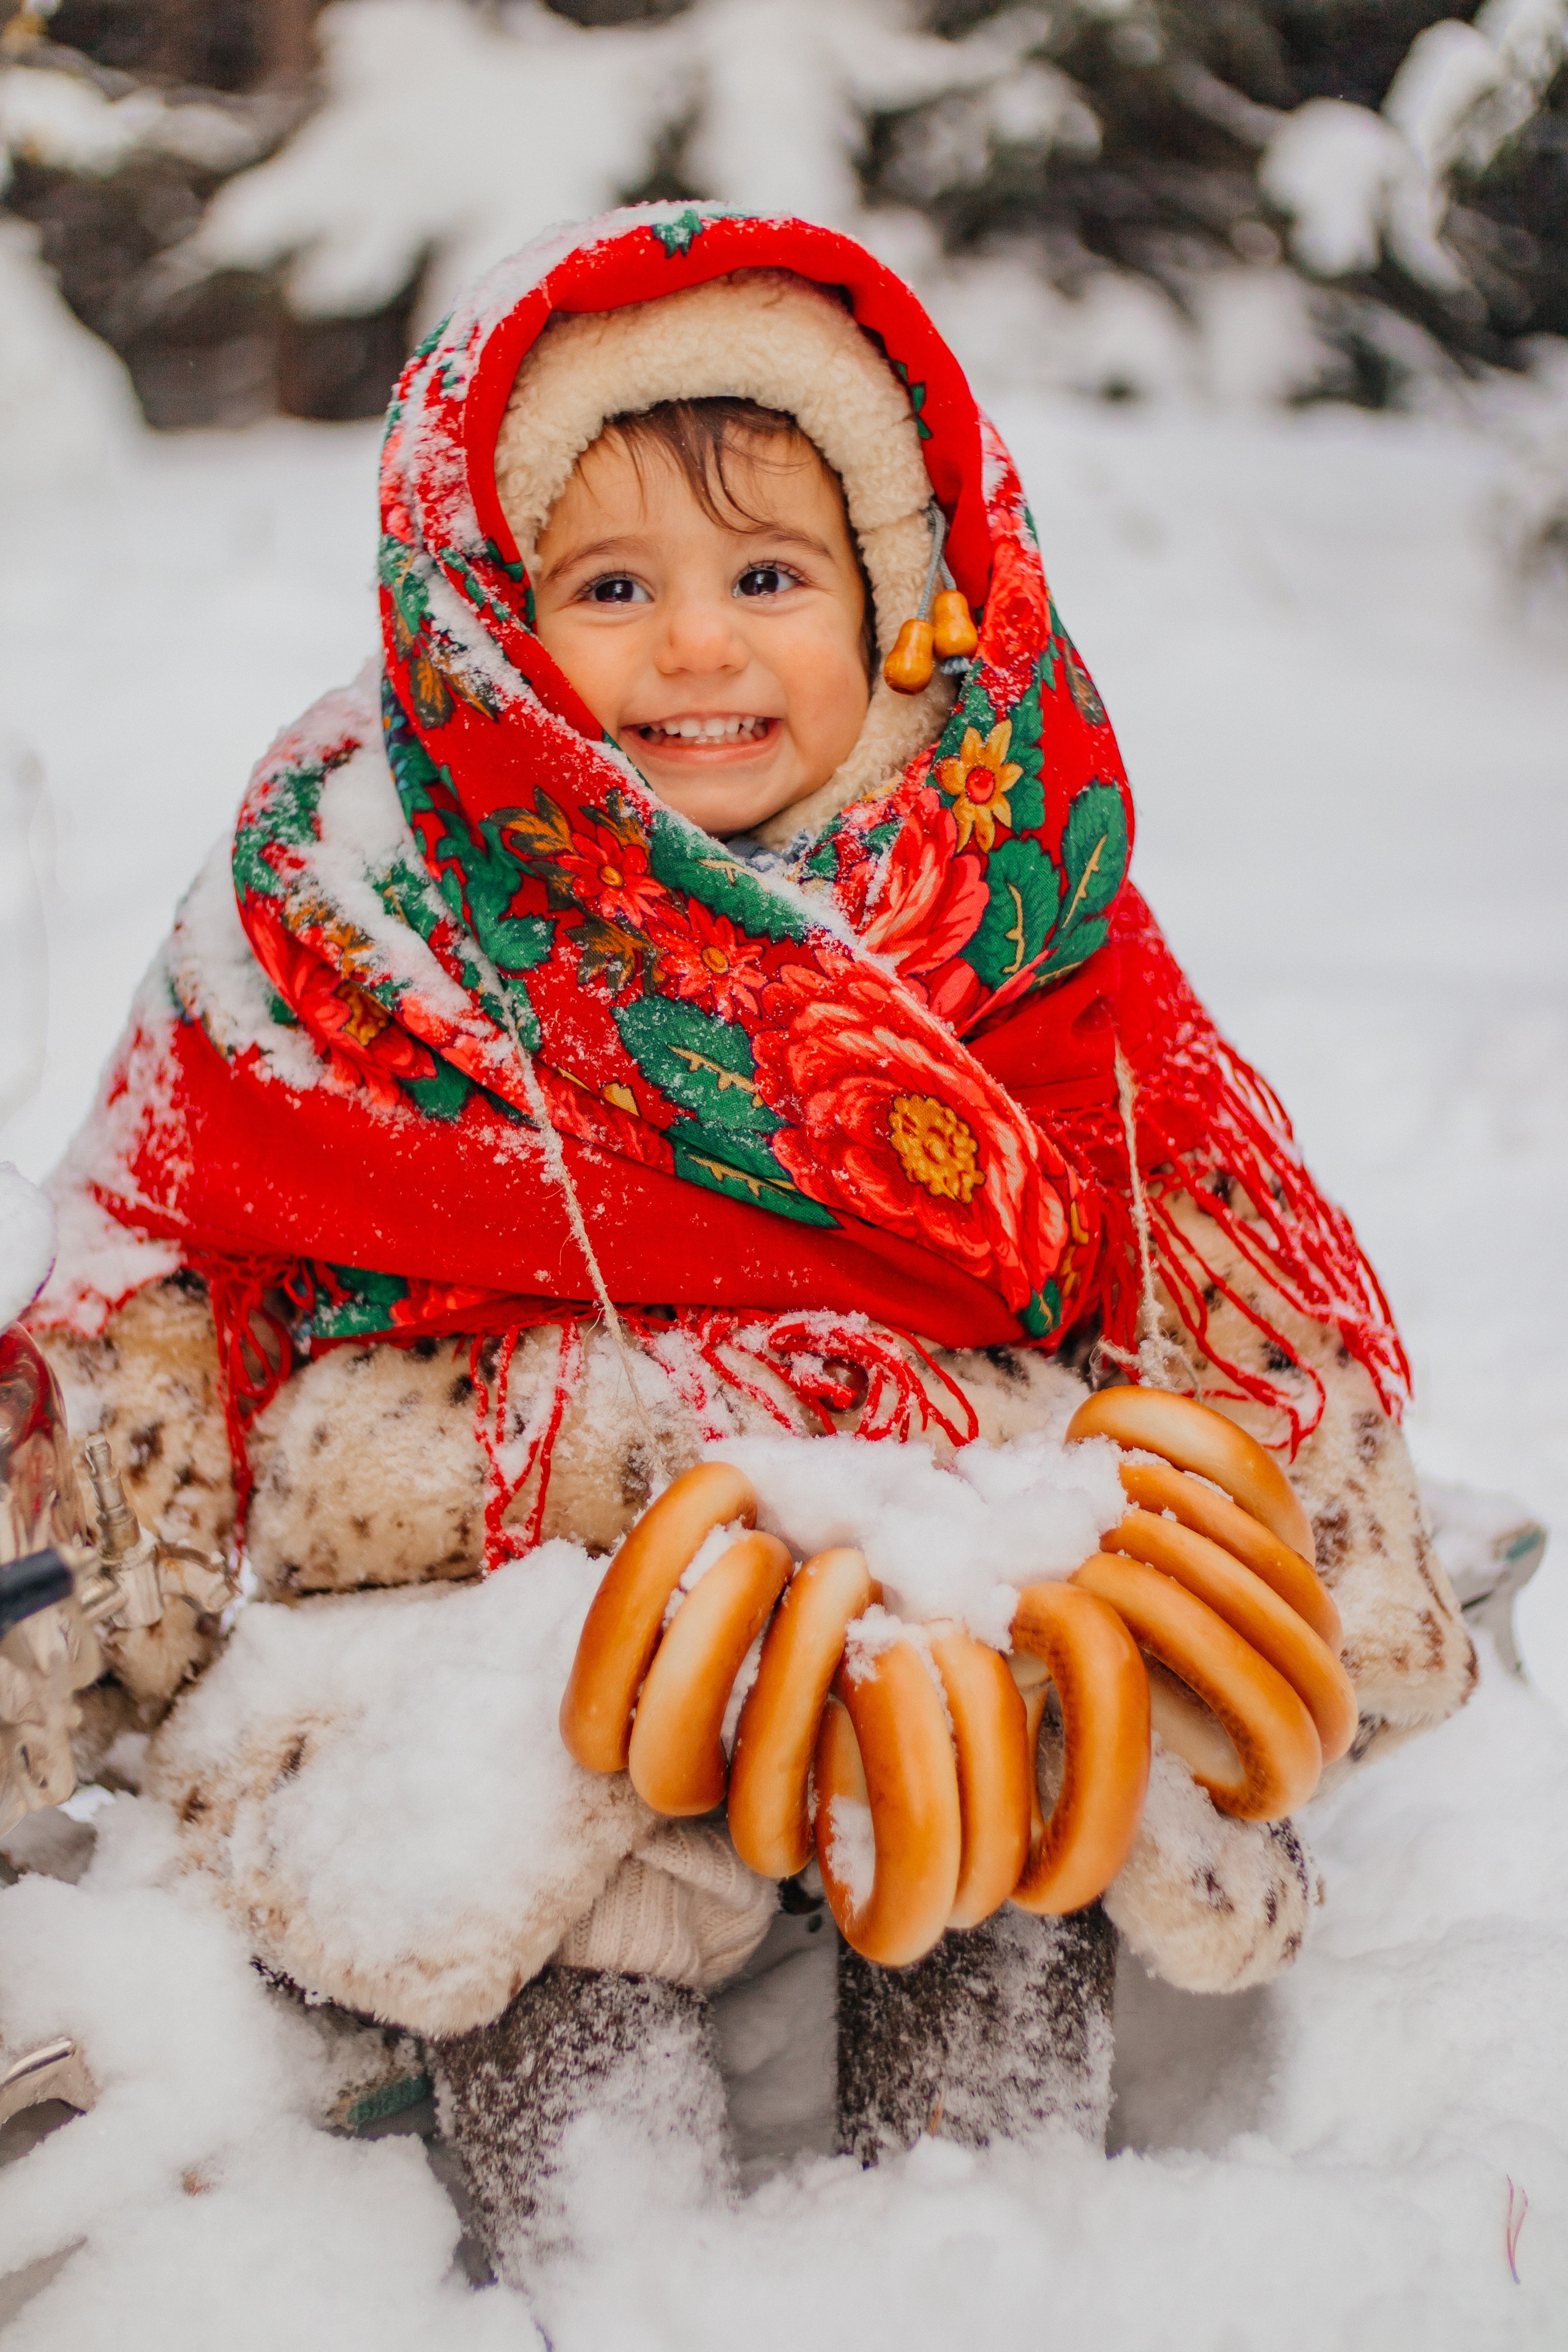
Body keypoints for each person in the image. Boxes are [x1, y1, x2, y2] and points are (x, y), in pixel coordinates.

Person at [28, 207, 1474, 2289]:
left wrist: (1310, 1531)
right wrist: (104, 1580)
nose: (697, 649)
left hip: (941, 1558)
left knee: (1021, 1755)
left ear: (903, 605)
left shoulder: (1004, 884)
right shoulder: (358, 902)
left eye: (771, 579)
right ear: (493, 620)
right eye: (613, 589)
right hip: (522, 1579)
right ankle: (626, 2267)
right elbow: (162, 1235)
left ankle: (996, 2242)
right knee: (531, 1832)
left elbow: (1181, 1217)